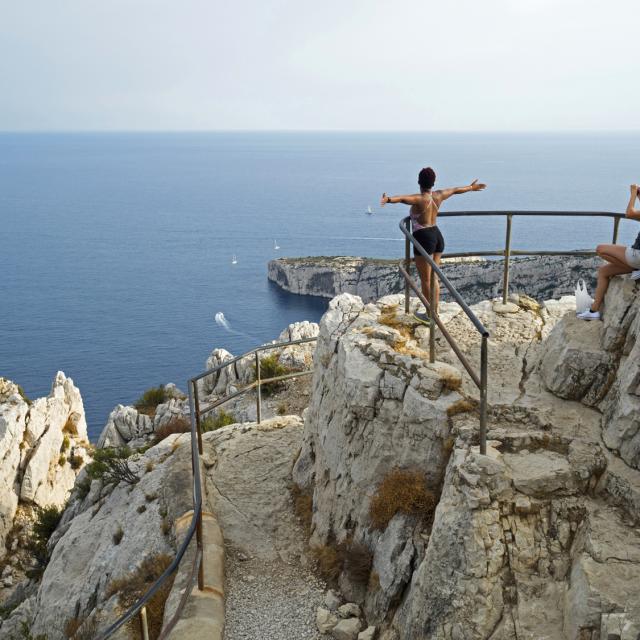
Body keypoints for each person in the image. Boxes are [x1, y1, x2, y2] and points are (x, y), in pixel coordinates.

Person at [381, 167, 486, 321]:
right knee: (434, 277)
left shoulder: (419, 199)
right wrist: (471, 187)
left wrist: (388, 199)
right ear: (433, 182)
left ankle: (429, 314)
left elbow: (403, 198)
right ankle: (434, 312)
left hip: (423, 238)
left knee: (425, 279)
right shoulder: (439, 195)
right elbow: (456, 190)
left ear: (419, 182)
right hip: (437, 236)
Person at [578, 184, 640, 321]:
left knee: (600, 249)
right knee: (604, 271)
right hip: (636, 258)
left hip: (637, 255)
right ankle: (594, 311)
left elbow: (629, 213)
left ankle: (636, 267)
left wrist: (633, 194)